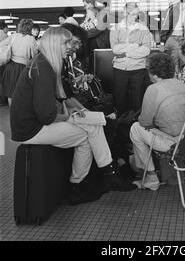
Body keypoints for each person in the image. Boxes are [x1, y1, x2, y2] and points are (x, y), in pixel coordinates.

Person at [10, 27, 135, 206]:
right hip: (31, 129)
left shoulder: (43, 63)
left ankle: (104, 174)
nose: (70, 47)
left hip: (30, 124)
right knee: (87, 134)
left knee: (92, 125)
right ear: (54, 44)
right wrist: (71, 116)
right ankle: (81, 183)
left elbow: (53, 105)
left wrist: (70, 114)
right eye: (66, 43)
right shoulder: (44, 68)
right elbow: (47, 115)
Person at [130, 52, 185, 190]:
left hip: (173, 143)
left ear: (152, 72)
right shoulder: (179, 83)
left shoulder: (153, 89)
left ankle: (151, 177)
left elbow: (145, 123)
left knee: (135, 128)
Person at [110, 2, 151, 116]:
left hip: (138, 69)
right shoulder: (115, 28)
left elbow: (146, 50)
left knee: (137, 103)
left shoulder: (143, 29)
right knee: (119, 102)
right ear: (124, 12)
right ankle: (119, 129)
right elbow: (115, 49)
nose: (134, 16)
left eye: (136, 14)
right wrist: (135, 46)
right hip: (119, 69)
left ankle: (136, 128)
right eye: (131, 14)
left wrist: (126, 53)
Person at [2, 19, 38, 106]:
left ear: (20, 26)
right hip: (23, 68)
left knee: (11, 93)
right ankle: (20, 114)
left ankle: (12, 114)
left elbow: (1, 45)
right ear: (30, 28)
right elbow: (34, 55)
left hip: (11, 67)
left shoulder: (13, 36)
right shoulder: (31, 39)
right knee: (22, 93)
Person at [0, 21, 9, 105]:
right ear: (4, 27)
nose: (8, 29)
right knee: (3, 81)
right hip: (2, 63)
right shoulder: (4, 36)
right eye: (7, 27)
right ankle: (3, 100)